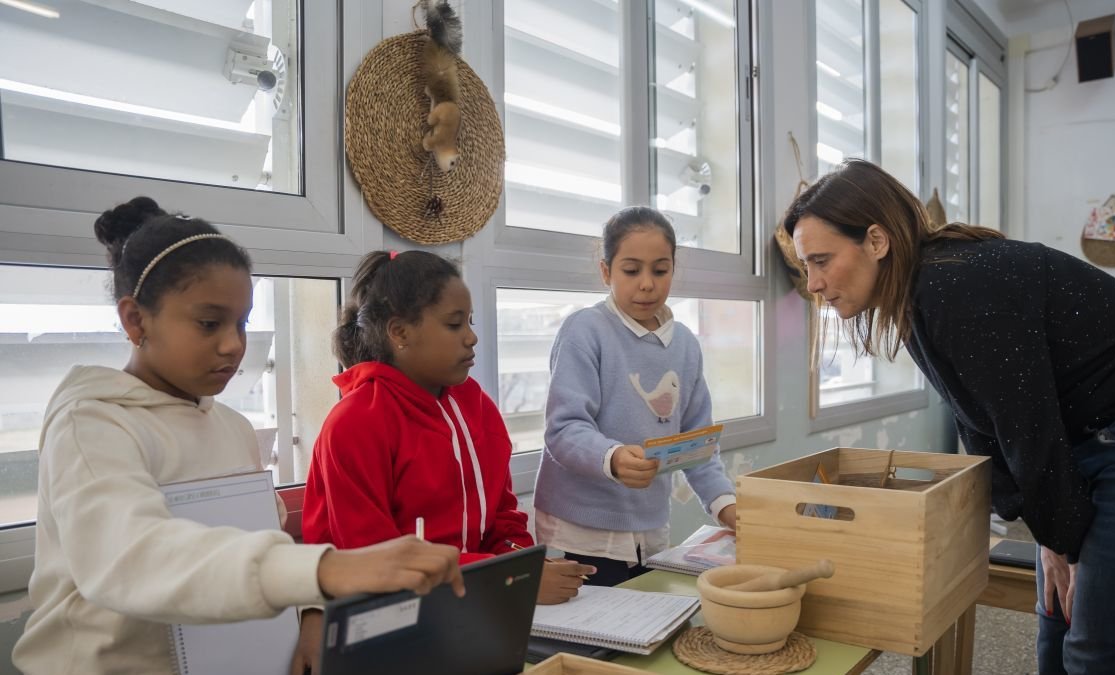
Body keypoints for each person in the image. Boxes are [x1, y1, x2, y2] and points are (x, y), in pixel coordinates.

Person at [11, 198, 464, 675]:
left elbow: (258, 542)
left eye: (242, 322)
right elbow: (133, 556)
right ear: (136, 320)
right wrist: (327, 571)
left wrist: (309, 613)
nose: (233, 344)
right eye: (209, 323)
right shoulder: (92, 424)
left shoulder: (233, 428)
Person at [785, 159, 1115, 674]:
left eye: (821, 260)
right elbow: (983, 425)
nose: (814, 283)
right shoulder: (918, 294)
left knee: (1108, 648)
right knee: (1058, 620)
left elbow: (1027, 430)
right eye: (806, 266)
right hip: (1096, 435)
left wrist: (1059, 540)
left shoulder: (953, 285)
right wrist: (1050, 536)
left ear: (876, 241)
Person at [301, 251, 592, 604]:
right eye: (455, 325)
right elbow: (374, 563)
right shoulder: (354, 423)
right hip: (395, 619)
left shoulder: (476, 405)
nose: (472, 338)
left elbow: (504, 517)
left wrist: (525, 564)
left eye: (470, 322)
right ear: (400, 333)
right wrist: (511, 579)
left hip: (480, 601)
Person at [534, 206, 737, 587]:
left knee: (648, 626)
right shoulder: (585, 331)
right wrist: (610, 457)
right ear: (606, 271)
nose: (646, 283)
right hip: (582, 530)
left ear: (673, 270)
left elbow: (697, 445)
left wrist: (726, 506)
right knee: (594, 638)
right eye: (631, 270)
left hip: (649, 529)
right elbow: (563, 429)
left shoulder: (686, 346)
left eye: (660, 270)